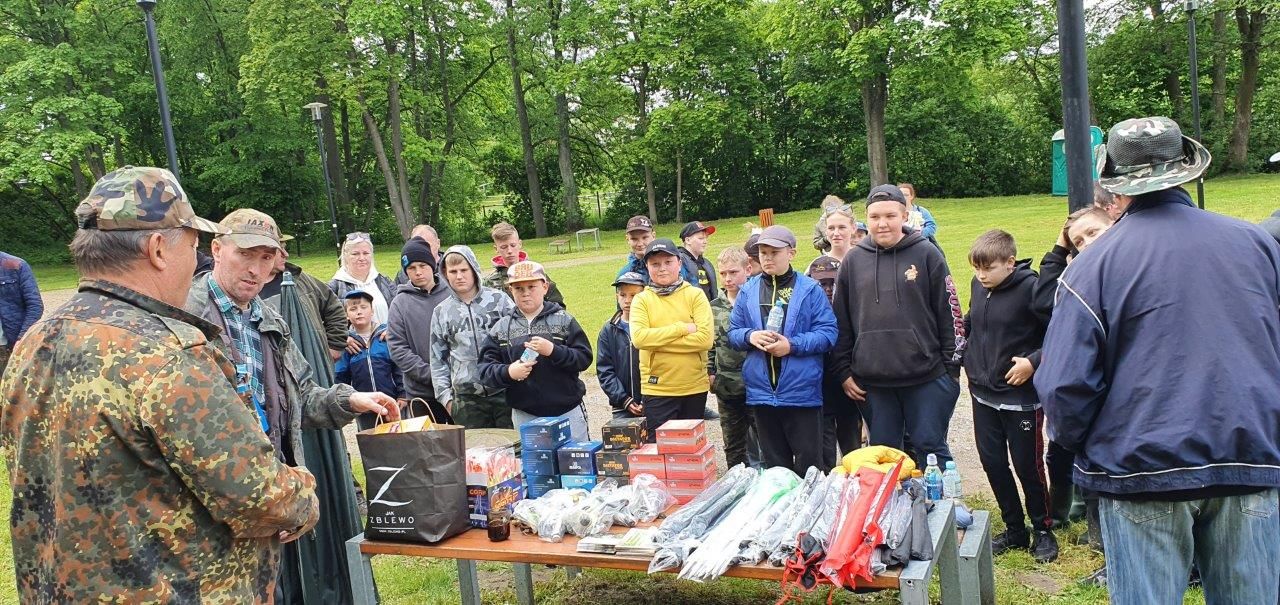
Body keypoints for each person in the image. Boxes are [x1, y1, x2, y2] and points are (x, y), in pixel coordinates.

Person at [1, 167, 320, 602]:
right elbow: (260, 496)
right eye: (192, 246)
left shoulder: (33, 344)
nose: (196, 263)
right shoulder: (168, 355)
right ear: (157, 249)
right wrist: (303, 489)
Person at [1037, 117, 1280, 604]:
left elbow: (1064, 387)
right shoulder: (1256, 245)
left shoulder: (1093, 267)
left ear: (1117, 189)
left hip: (1140, 470)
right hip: (1248, 458)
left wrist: (1086, 450)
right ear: (1186, 171)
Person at [187, 208, 399, 603]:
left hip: (268, 496)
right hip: (209, 510)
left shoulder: (268, 319)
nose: (256, 269)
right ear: (216, 249)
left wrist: (350, 398)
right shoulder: (185, 317)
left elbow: (302, 394)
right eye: (246, 255)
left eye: (266, 258)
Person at [831, 184, 965, 468]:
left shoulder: (927, 254)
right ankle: (893, 512)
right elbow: (840, 321)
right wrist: (843, 371)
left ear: (905, 215)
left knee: (930, 448)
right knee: (884, 456)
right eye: (875, 217)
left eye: (890, 215)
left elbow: (950, 310)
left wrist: (951, 370)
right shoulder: (853, 261)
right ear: (865, 220)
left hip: (926, 377)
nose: (882, 224)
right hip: (873, 383)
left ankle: (946, 510)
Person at [963, 229, 1057, 563]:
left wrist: (1032, 363)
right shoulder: (979, 286)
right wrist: (965, 354)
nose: (981, 275)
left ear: (1010, 262)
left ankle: (1043, 529)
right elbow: (973, 325)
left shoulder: (1032, 289)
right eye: (977, 269)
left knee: (1027, 467)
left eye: (988, 268)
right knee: (993, 464)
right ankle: (1015, 529)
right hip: (983, 394)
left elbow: (1060, 334)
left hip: (1021, 399)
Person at [729, 226, 837, 474]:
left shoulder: (810, 289)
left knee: (809, 467)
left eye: (774, 252)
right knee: (776, 470)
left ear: (791, 253)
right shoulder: (748, 290)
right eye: (763, 252)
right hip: (762, 394)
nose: (767, 258)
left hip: (801, 393)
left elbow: (828, 333)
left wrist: (791, 345)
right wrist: (750, 335)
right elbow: (733, 334)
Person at [479, 261, 593, 439]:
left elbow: (584, 358)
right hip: (525, 415)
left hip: (567, 411)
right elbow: (485, 369)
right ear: (510, 290)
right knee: (534, 465)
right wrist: (509, 371)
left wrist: (554, 351)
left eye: (532, 287)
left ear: (545, 287)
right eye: (518, 289)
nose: (525, 294)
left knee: (573, 465)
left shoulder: (564, 320)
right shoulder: (501, 328)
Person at [630, 238, 714, 435]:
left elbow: (705, 339)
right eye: (655, 264)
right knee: (661, 450)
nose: (662, 269)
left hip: (693, 386)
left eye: (668, 262)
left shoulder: (695, 295)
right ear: (647, 267)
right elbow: (640, 339)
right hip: (658, 388)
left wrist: (656, 342)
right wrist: (681, 328)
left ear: (679, 263)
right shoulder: (642, 300)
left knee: (690, 451)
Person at [431, 245, 516, 428]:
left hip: (504, 392)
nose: (459, 276)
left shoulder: (499, 300)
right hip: (466, 401)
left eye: (464, 270)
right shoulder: (441, 312)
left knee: (513, 452)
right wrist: (446, 399)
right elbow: (437, 359)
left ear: (474, 269)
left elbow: (518, 340)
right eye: (453, 271)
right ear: (445, 273)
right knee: (476, 454)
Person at [808, 204, 866, 468]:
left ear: (853, 228)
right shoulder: (817, 266)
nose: (836, 233)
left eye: (842, 227)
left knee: (852, 423)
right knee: (825, 422)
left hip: (858, 351)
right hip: (825, 352)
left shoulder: (865, 258)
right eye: (831, 228)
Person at [387, 237, 452, 422]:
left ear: (432, 265)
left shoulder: (451, 295)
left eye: (423, 266)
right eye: (411, 268)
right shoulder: (400, 303)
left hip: (456, 388)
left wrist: (451, 375)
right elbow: (398, 349)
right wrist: (432, 374)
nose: (418, 272)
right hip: (421, 394)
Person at [709, 247, 761, 468]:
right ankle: (736, 485)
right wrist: (710, 373)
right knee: (733, 443)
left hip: (757, 383)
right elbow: (708, 345)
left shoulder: (758, 301)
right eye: (722, 274)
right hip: (727, 386)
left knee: (764, 441)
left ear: (748, 269)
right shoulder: (713, 307)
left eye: (733, 272)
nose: (727, 279)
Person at [336, 290, 407, 431]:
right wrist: (344, 405)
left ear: (372, 311)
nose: (359, 312)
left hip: (392, 402)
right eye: (353, 309)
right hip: (364, 408)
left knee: (399, 437)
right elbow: (340, 376)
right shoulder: (347, 345)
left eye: (363, 307)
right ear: (347, 315)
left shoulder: (385, 337)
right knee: (370, 442)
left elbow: (399, 368)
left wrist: (403, 394)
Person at [261, 248, 348, 360]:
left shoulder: (300, 279)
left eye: (285, 247)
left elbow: (333, 307)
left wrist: (335, 345)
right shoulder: (247, 290)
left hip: (314, 365)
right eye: (279, 249)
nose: (286, 254)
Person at [483, 221, 567, 308]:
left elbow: (558, 307)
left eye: (513, 245)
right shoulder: (489, 283)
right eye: (504, 247)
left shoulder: (536, 273)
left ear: (520, 244)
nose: (509, 251)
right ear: (496, 248)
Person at [598, 271, 646, 420]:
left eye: (634, 295)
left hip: (653, 402)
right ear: (616, 296)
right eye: (623, 295)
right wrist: (623, 398)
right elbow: (605, 370)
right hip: (622, 406)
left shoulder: (652, 326)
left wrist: (648, 398)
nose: (628, 301)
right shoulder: (608, 330)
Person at [328, 232, 397, 325]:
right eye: (355, 254)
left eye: (366, 253)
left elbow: (400, 313)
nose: (361, 258)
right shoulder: (334, 288)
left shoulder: (385, 281)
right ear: (346, 256)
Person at [0, 249, 42, 374]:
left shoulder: (16, 265)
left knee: (12, 391)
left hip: (8, 346)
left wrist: (21, 339)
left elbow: (35, 306)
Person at [677, 221, 718, 300]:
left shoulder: (706, 263)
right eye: (701, 238)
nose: (705, 241)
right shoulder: (679, 262)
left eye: (706, 238)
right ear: (688, 240)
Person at [617, 215, 655, 282]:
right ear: (627, 239)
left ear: (653, 236)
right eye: (634, 239)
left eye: (645, 237)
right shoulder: (625, 274)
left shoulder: (671, 267)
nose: (640, 244)